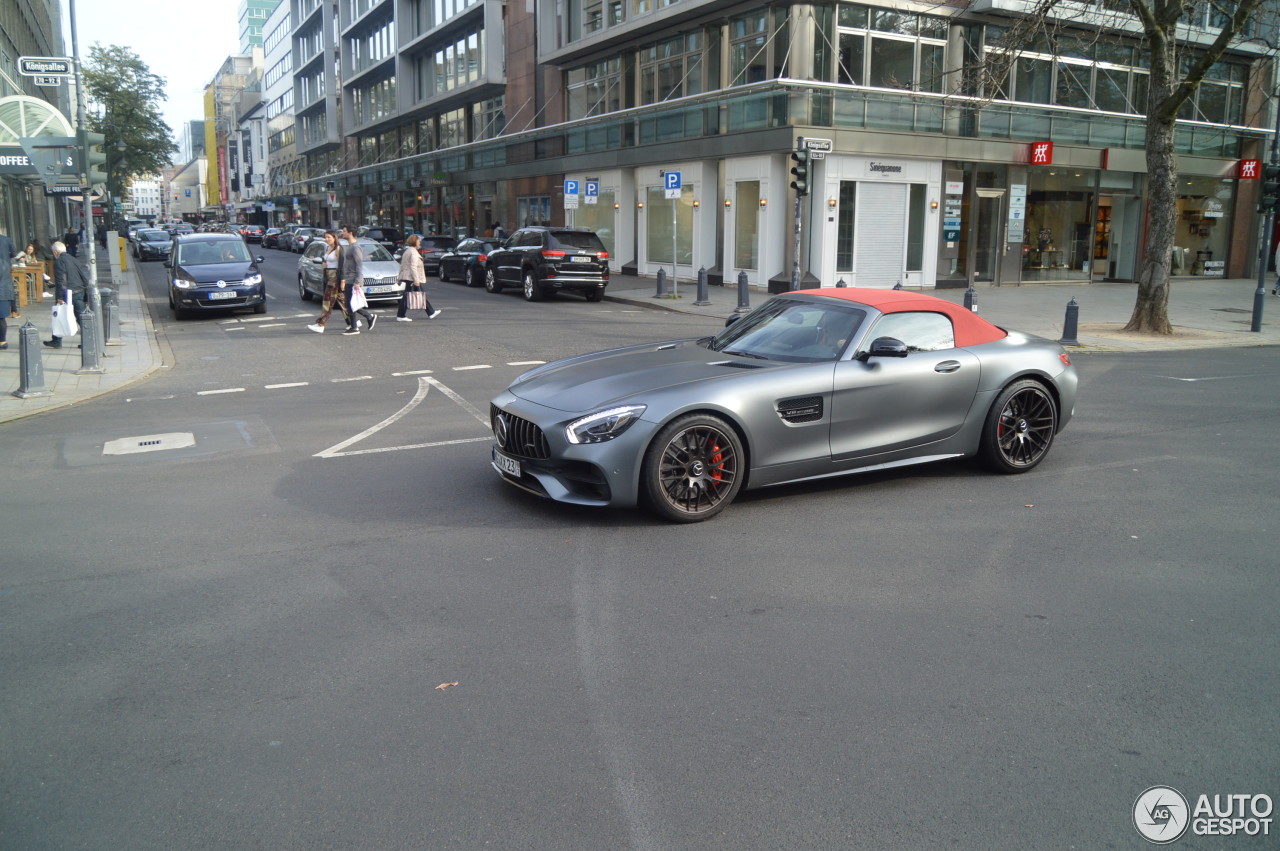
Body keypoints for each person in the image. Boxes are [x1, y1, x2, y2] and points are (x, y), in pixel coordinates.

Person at [306, 231, 355, 334]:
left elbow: (342, 265)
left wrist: (342, 280)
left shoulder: (339, 249)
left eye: (329, 237)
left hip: (335, 278)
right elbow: (327, 261)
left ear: (334, 238)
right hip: (329, 276)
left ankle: (321, 325)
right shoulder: (328, 248)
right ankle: (353, 323)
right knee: (342, 302)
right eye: (325, 237)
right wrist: (324, 264)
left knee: (327, 301)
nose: (327, 239)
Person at [44, 240, 89, 348]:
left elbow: (61, 281)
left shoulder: (59, 262)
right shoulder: (73, 259)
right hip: (79, 291)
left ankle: (57, 341)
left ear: (55, 252)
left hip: (69, 293)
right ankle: (87, 340)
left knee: (59, 315)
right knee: (81, 317)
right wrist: (86, 290)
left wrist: (60, 297)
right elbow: (83, 276)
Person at [338, 225, 375, 334]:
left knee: (351, 303)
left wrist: (358, 281)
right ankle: (355, 326)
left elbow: (359, 265)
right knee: (349, 303)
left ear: (350, 233)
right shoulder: (349, 246)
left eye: (344, 231)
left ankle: (366, 319)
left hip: (354, 279)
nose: (342, 233)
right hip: (349, 278)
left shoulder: (355, 247)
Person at [395, 234, 441, 321]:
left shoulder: (408, 251)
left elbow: (402, 265)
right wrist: (416, 280)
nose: (420, 243)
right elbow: (413, 267)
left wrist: (399, 278)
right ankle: (401, 315)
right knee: (408, 296)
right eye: (418, 241)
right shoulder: (413, 252)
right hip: (411, 278)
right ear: (415, 242)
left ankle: (431, 312)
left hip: (409, 276)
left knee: (419, 294)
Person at [0, 223, 19, 349]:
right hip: (4, 282)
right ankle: (2, 341)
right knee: (1, 317)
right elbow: (15, 253)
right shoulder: (6, 239)